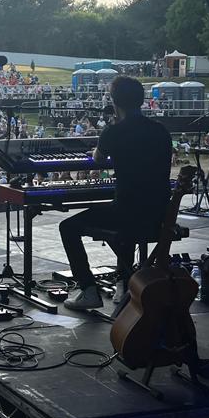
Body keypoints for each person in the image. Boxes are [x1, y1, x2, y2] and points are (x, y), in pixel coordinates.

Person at [60, 76, 173, 311]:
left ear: (114, 102)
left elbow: (98, 158)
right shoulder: (161, 131)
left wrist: (98, 148)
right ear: (141, 100)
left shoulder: (113, 132)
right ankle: (124, 280)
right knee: (126, 213)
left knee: (68, 227)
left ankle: (88, 289)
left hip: (127, 213)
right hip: (159, 214)